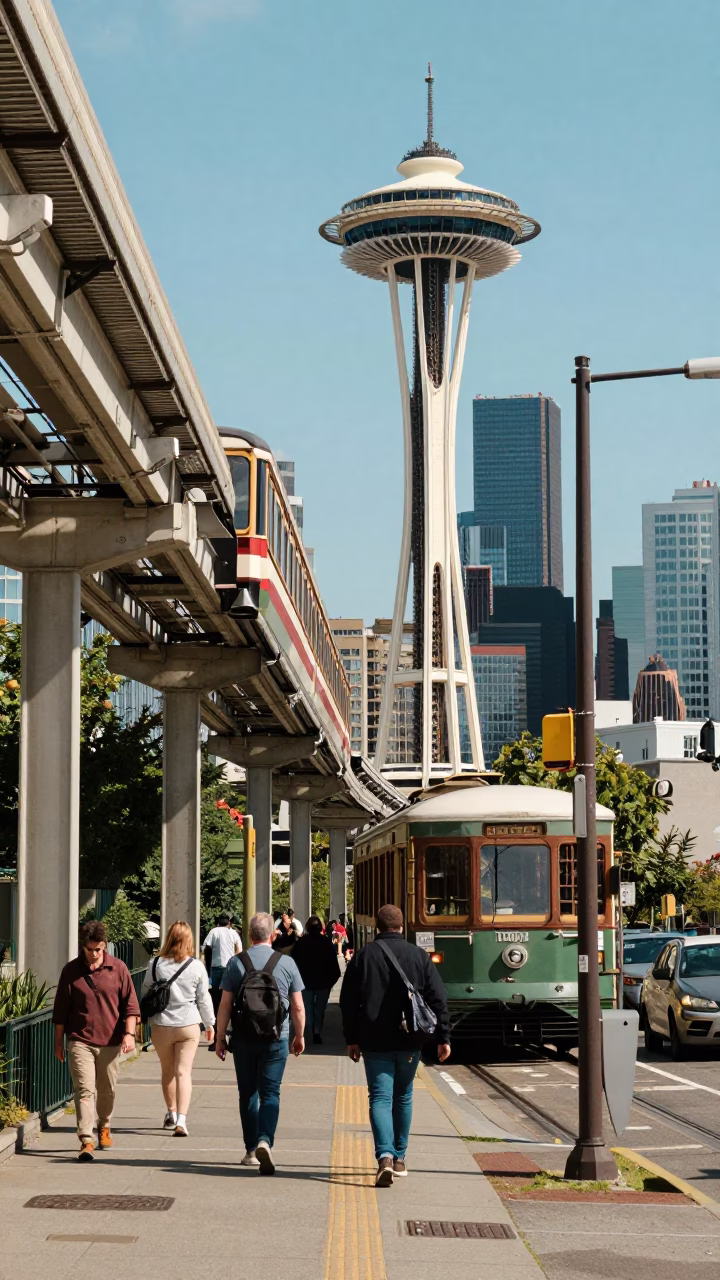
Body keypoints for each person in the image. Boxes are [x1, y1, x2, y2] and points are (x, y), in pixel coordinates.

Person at [340, 903, 451, 1187]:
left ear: (377, 927)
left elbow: (348, 1001)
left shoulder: (364, 956)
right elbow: (438, 998)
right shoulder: (418, 956)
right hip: (410, 1039)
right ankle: (400, 1157)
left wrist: (351, 1038)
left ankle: (384, 1157)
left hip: (374, 1039)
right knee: (403, 1097)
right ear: (402, 926)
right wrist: (444, 1037)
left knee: (379, 1098)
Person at [215, 911, 305, 1174]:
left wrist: (221, 1038)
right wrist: (299, 1036)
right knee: (271, 1092)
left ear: (250, 936)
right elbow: (298, 1006)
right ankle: (266, 1139)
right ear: (273, 935)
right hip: (277, 1037)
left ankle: (251, 1150)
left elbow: (225, 1005)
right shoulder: (286, 962)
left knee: (248, 1093)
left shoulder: (236, 963)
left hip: (243, 1038)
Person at [52, 919, 140, 1162]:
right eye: (89, 949)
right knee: (84, 1089)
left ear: (105, 946)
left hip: (111, 1040)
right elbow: (61, 1010)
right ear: (83, 947)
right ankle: (86, 1138)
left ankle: (104, 1126)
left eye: (98, 949)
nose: (94, 954)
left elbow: (131, 1006)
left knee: (107, 1090)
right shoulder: (71, 971)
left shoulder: (118, 969)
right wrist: (59, 1042)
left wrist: (129, 1034)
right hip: (80, 1040)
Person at [141, 920, 215, 1136]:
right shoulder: (196, 966)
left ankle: (171, 1113)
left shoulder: (154, 964)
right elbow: (203, 998)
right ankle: (182, 1120)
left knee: (168, 1071)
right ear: (189, 940)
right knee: (184, 1072)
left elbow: (146, 990)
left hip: (162, 1024)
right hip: (188, 1025)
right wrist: (209, 1024)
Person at [292, 915, 341, 1044]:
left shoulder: (300, 943)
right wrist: (331, 981)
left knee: (307, 1007)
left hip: (305, 982)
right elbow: (334, 965)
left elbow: (294, 963)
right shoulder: (326, 943)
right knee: (320, 1008)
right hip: (323, 982)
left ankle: (310, 1028)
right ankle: (317, 1031)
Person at [203, 911, 242, 1048]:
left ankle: (216, 1040)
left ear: (217, 922)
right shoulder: (233, 933)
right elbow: (239, 952)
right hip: (230, 969)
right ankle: (231, 1036)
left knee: (217, 1003)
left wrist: (207, 968)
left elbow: (206, 949)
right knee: (231, 1002)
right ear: (229, 922)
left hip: (217, 970)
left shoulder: (213, 932)